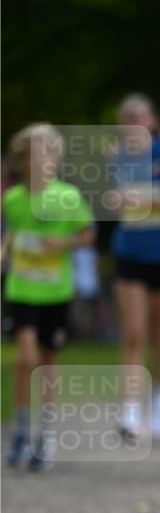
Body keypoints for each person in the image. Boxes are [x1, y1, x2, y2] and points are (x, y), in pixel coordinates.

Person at [3, 123, 95, 470]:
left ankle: (47, 434)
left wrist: (64, 243)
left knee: (47, 365)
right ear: (23, 159)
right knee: (26, 359)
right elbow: (11, 233)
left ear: (56, 158)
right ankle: (21, 431)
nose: (40, 159)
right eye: (33, 153)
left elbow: (87, 235)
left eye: (47, 152)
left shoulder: (68, 196)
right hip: (22, 287)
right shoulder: (12, 199)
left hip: (55, 291)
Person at [110, 93, 160, 439]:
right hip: (129, 251)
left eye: (140, 117)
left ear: (152, 122)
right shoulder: (115, 158)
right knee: (134, 331)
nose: (135, 124)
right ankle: (129, 410)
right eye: (128, 118)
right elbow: (105, 201)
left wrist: (150, 201)